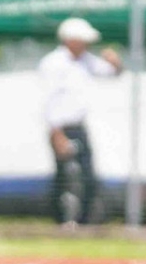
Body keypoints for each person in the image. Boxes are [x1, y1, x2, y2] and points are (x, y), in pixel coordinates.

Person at [38, 17, 121, 225]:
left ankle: (84, 223)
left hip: (79, 127)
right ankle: (61, 222)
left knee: (88, 178)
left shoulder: (86, 61)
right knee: (63, 179)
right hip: (60, 128)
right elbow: (48, 100)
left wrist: (116, 62)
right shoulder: (53, 63)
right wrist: (56, 133)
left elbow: (112, 72)